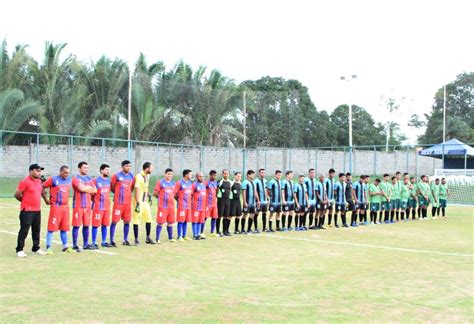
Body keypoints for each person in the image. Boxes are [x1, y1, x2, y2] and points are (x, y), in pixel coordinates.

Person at [14, 164, 49, 257]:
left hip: (37, 210)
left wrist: (46, 200)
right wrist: (24, 201)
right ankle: (19, 249)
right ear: (31, 171)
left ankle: (36, 248)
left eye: (40, 171)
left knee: (36, 230)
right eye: (37, 170)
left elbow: (41, 191)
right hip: (27, 211)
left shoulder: (39, 181)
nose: (39, 172)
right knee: (24, 230)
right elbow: (17, 194)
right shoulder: (25, 181)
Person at [43, 165, 74, 254]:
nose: (67, 174)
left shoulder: (69, 180)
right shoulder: (53, 180)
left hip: (65, 207)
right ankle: (48, 247)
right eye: (65, 173)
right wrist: (46, 200)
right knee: (51, 228)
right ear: (60, 172)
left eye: (68, 173)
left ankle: (65, 246)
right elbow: (42, 187)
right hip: (56, 207)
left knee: (64, 228)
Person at [71, 161, 97, 251]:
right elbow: (81, 188)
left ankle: (85, 244)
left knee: (86, 225)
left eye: (87, 168)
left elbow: (95, 190)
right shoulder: (75, 178)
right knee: (76, 225)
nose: (86, 169)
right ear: (79, 168)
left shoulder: (89, 179)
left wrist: (86, 189)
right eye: (84, 167)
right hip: (78, 205)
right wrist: (88, 188)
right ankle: (74, 244)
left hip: (87, 206)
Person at [110, 160, 135, 247]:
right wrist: (118, 194)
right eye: (127, 166)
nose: (128, 167)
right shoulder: (116, 176)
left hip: (127, 203)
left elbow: (132, 188)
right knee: (114, 221)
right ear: (122, 166)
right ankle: (111, 240)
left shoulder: (132, 176)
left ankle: (125, 239)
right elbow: (112, 187)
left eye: (130, 166)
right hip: (118, 203)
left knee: (127, 221)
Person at [132, 162, 154, 245]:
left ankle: (148, 238)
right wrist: (138, 203)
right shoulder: (139, 177)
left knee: (149, 219)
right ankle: (136, 239)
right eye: (151, 168)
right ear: (147, 168)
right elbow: (137, 190)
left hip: (145, 202)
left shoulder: (147, 176)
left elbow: (146, 187)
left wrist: (149, 195)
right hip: (139, 202)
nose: (152, 170)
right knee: (137, 220)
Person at [153, 168, 177, 243]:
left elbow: (175, 194)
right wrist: (161, 198)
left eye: (171, 174)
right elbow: (155, 193)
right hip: (163, 206)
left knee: (170, 222)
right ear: (165, 174)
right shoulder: (160, 182)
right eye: (168, 174)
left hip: (171, 206)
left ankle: (170, 237)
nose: (170, 175)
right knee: (160, 222)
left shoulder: (173, 183)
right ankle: (157, 238)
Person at [92, 164, 112, 248]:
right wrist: (95, 202)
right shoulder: (95, 181)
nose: (108, 171)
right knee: (95, 225)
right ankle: (94, 242)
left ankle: (104, 242)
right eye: (106, 170)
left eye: (109, 170)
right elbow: (92, 193)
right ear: (101, 171)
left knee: (105, 225)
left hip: (106, 207)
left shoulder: (108, 181)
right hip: (98, 207)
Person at [175, 169, 193, 241]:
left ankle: (184, 235)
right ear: (186, 175)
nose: (191, 176)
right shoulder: (179, 183)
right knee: (180, 220)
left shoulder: (189, 183)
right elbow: (175, 194)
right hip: (181, 206)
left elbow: (190, 194)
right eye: (190, 174)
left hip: (188, 206)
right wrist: (179, 201)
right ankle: (179, 236)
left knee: (185, 220)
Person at [242, 170, 259, 234]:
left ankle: (249, 229)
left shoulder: (253, 182)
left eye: (254, 174)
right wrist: (244, 202)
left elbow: (255, 192)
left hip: (253, 203)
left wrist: (258, 200)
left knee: (252, 215)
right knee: (245, 215)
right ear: (248, 175)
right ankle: (243, 230)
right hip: (247, 202)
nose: (253, 176)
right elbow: (244, 192)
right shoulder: (245, 182)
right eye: (252, 174)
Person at [191, 172, 207, 240]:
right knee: (195, 221)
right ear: (197, 177)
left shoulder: (203, 185)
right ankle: (195, 235)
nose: (202, 178)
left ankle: (198, 234)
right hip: (196, 206)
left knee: (200, 221)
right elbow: (191, 195)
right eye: (200, 177)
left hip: (202, 207)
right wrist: (192, 203)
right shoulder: (194, 185)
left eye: (203, 176)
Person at [217, 169, 232, 236]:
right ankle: (217, 231)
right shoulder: (220, 181)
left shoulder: (230, 182)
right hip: (221, 200)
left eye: (227, 173)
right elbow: (216, 190)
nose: (226, 175)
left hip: (227, 200)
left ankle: (225, 230)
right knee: (219, 216)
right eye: (225, 173)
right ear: (222, 174)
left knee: (226, 216)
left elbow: (230, 190)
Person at [206, 170, 219, 236]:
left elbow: (216, 191)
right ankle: (201, 231)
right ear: (210, 175)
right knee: (205, 217)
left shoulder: (216, 182)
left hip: (214, 203)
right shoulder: (206, 183)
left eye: (215, 175)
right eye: (213, 175)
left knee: (214, 217)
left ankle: (212, 232)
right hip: (208, 203)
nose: (215, 176)